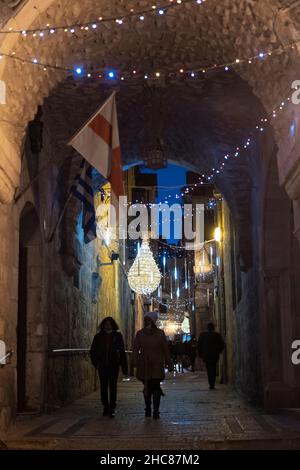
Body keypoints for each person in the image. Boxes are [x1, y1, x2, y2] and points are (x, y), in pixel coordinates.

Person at [133, 311, 172, 419]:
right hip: (144, 364)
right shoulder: (140, 334)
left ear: (152, 321)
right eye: (145, 320)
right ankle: (148, 408)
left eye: (148, 320)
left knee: (155, 387)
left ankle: (155, 410)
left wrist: (169, 363)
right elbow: (136, 348)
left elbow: (165, 349)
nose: (146, 322)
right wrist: (134, 361)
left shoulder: (160, 334)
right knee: (147, 386)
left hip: (156, 364)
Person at [90, 317, 128, 418]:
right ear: (103, 325)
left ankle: (112, 407)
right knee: (103, 387)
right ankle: (105, 406)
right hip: (102, 366)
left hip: (113, 366)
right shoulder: (98, 337)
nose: (107, 326)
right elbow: (92, 351)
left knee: (113, 386)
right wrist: (96, 363)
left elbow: (122, 351)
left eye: (109, 324)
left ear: (112, 325)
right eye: (106, 324)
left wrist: (124, 367)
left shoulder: (117, 336)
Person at [198, 322, 225, 390]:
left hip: (206, 356)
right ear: (213, 328)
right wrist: (219, 351)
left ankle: (211, 384)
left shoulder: (203, 335)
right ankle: (212, 383)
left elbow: (199, 345)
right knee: (213, 368)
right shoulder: (217, 335)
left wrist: (200, 354)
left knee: (209, 369)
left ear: (207, 328)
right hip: (214, 355)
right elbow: (222, 345)